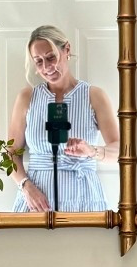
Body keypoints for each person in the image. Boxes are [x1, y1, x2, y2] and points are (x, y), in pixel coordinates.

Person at [9, 24, 119, 214]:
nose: (46, 67)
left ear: (66, 49)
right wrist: (25, 186)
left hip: (84, 199)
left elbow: (120, 151)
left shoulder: (94, 96)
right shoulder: (27, 98)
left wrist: (92, 151)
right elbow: (10, 153)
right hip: (36, 204)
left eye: (51, 57)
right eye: (39, 61)